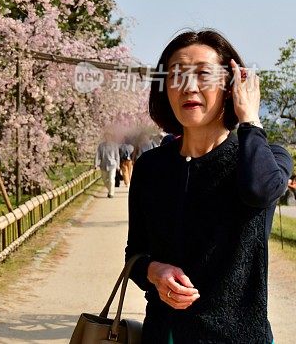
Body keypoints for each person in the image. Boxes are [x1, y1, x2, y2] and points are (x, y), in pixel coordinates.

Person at [125, 29, 293, 343]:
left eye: (203, 74)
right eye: (176, 75)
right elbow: (135, 254)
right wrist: (153, 272)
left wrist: (250, 119)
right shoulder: (151, 167)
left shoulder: (267, 158)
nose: (188, 87)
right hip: (164, 334)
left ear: (231, 87)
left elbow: (258, 191)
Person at [95, 131, 120, 198]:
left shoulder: (114, 145)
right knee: (104, 179)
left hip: (112, 164)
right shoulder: (101, 145)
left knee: (111, 179)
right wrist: (96, 164)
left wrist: (118, 165)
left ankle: (111, 193)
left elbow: (117, 156)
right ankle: (110, 190)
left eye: (109, 136)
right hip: (103, 165)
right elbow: (97, 155)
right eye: (106, 136)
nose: (107, 138)